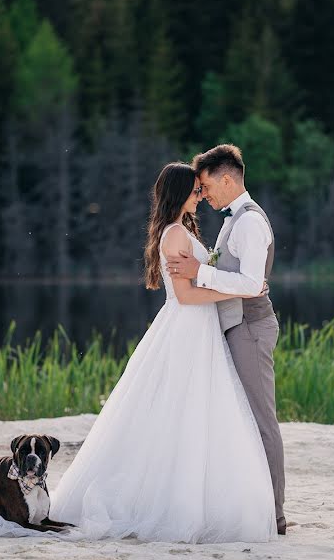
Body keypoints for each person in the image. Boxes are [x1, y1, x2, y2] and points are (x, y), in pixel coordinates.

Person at [49, 162, 277, 543]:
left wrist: (233, 286)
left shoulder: (182, 230)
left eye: (201, 190)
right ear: (177, 194)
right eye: (194, 190)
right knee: (179, 413)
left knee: (198, 415)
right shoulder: (174, 235)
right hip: (187, 329)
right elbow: (186, 296)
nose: (200, 195)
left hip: (200, 329)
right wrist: (240, 290)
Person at [166, 144, 286, 535]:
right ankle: (252, 507)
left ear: (227, 179)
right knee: (242, 420)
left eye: (205, 185)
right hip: (235, 328)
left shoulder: (249, 222)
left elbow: (252, 285)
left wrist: (201, 271)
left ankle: (275, 515)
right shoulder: (233, 220)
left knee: (261, 420)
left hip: (250, 328)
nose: (203, 194)